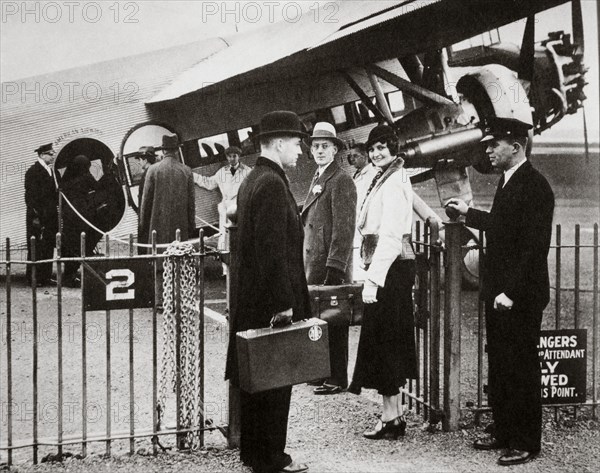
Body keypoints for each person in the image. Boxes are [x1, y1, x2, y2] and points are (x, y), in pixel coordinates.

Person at [445, 117, 554, 466]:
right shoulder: (509, 182)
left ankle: (525, 440)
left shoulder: (535, 186)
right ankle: (504, 430)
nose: (488, 151)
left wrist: (510, 292)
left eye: (494, 145)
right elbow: (503, 226)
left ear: (516, 147)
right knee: (502, 364)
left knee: (521, 366)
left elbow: (534, 248)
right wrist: (468, 214)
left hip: (517, 296)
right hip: (500, 293)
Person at [225, 111, 310, 473]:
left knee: (256, 382)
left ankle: (254, 454)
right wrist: (283, 303)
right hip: (270, 303)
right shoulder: (272, 184)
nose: (300, 151)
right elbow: (273, 250)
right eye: (296, 143)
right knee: (276, 382)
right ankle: (273, 458)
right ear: (277, 143)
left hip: (252, 300)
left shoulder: (253, 179)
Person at [347, 124, 417, 440]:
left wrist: (373, 281)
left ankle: (392, 419)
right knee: (386, 342)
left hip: (390, 270)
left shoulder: (394, 180)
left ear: (394, 147)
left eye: (382, 147)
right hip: (387, 267)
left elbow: (390, 235)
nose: (377, 153)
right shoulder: (386, 176)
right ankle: (393, 415)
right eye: (373, 148)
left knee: (387, 342)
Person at [301, 122, 356, 395]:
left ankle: (336, 377)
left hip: (329, 264)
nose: (320, 150)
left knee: (334, 321)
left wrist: (335, 267)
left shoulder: (341, 179)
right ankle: (322, 372)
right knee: (320, 320)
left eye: (325, 146)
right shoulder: (319, 176)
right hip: (315, 262)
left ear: (335, 149)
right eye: (316, 146)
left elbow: (344, 229)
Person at [139, 134, 196, 250]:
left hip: (157, 228)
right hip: (180, 226)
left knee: (159, 260)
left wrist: (143, 224)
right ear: (177, 150)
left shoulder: (152, 170)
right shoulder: (187, 171)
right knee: (179, 258)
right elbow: (191, 205)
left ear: (163, 150)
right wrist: (191, 226)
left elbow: (145, 203)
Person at [193, 146, 251, 252]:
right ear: (226, 157)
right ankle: (225, 259)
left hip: (241, 207)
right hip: (225, 209)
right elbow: (209, 183)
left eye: (235, 156)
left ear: (239, 157)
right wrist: (192, 176)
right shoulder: (222, 172)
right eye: (229, 156)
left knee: (242, 236)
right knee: (224, 238)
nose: (232, 159)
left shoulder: (247, 172)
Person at [60, 155, 101, 287]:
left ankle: (68, 275)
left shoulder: (66, 179)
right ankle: (75, 274)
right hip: (82, 217)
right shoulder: (86, 177)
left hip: (69, 217)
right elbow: (97, 186)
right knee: (82, 243)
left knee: (71, 245)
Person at [24, 143, 58, 286]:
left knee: (48, 245)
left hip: (49, 215)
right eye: (50, 153)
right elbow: (30, 197)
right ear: (42, 155)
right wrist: (36, 217)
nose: (53, 156)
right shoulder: (33, 171)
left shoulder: (49, 170)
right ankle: (34, 278)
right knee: (36, 246)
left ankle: (45, 276)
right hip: (37, 216)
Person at [347, 142, 377, 281]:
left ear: (365, 157)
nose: (352, 160)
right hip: (356, 222)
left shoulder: (372, 174)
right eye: (350, 156)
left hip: (366, 227)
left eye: (355, 156)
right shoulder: (358, 174)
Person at [135, 146, 156, 254]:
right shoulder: (155, 172)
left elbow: (145, 200)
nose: (138, 162)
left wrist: (141, 222)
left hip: (147, 218)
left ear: (145, 160)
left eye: (139, 159)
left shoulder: (147, 174)